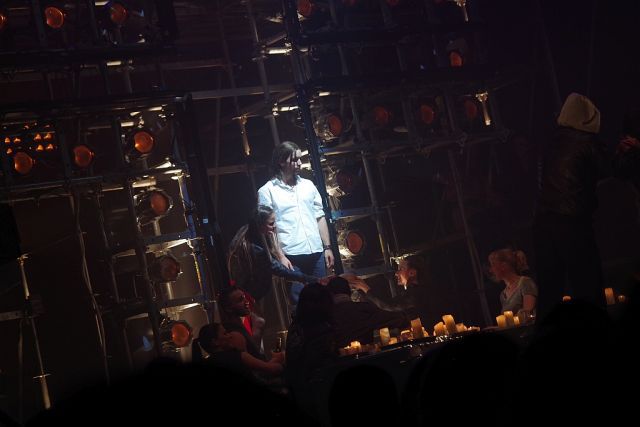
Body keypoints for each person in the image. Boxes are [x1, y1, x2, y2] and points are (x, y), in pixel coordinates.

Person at [533, 93, 609, 317]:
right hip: (572, 221)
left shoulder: (551, 142)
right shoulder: (586, 142)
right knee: (587, 283)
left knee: (550, 289)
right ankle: (596, 331)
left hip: (543, 221)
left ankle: (548, 334)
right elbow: (610, 169)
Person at [258, 141, 334, 305]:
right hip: (291, 256)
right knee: (300, 302)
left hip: (316, 252)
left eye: (300, 159)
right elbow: (268, 229)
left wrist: (327, 247)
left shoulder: (308, 185)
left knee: (324, 298)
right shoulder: (267, 191)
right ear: (281, 161)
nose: (299, 163)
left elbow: (319, 216)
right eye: (294, 160)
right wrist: (280, 256)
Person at [227, 204, 318, 301]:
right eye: (271, 224)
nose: (275, 226)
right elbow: (276, 268)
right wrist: (307, 278)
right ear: (260, 225)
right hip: (252, 291)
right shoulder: (255, 249)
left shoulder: (248, 230)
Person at [351, 255, 443, 331]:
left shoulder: (417, 293)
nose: (396, 273)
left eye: (400, 269)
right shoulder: (420, 290)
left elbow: (389, 305)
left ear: (412, 272)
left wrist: (365, 288)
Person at [326, 276, 408, 347]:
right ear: (350, 292)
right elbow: (396, 318)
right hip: (368, 355)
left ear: (330, 294)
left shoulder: (326, 315)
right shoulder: (363, 308)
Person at [193, 322, 285, 377]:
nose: (230, 336)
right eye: (225, 333)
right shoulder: (238, 357)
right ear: (215, 342)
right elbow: (270, 369)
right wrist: (281, 358)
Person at [488, 248, 537, 323]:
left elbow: (527, 316)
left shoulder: (525, 283)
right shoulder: (503, 295)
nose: (490, 270)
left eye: (493, 265)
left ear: (503, 266)